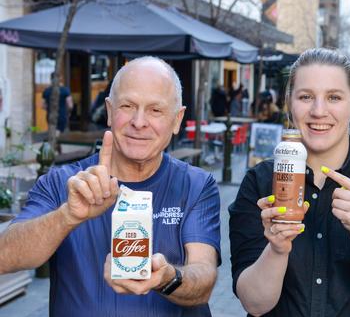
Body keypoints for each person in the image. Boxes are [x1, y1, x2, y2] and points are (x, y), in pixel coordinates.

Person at [0, 56, 221, 316]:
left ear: (177, 119)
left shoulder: (196, 185)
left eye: (155, 110)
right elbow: (5, 256)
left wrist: (166, 277)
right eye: (127, 106)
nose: (139, 122)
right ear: (109, 110)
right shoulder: (62, 183)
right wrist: (67, 216)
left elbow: (204, 278)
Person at [229, 48, 350, 316]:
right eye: (306, 97)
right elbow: (254, 304)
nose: (318, 111)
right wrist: (277, 250)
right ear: (289, 103)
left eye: (334, 97)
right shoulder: (259, 182)